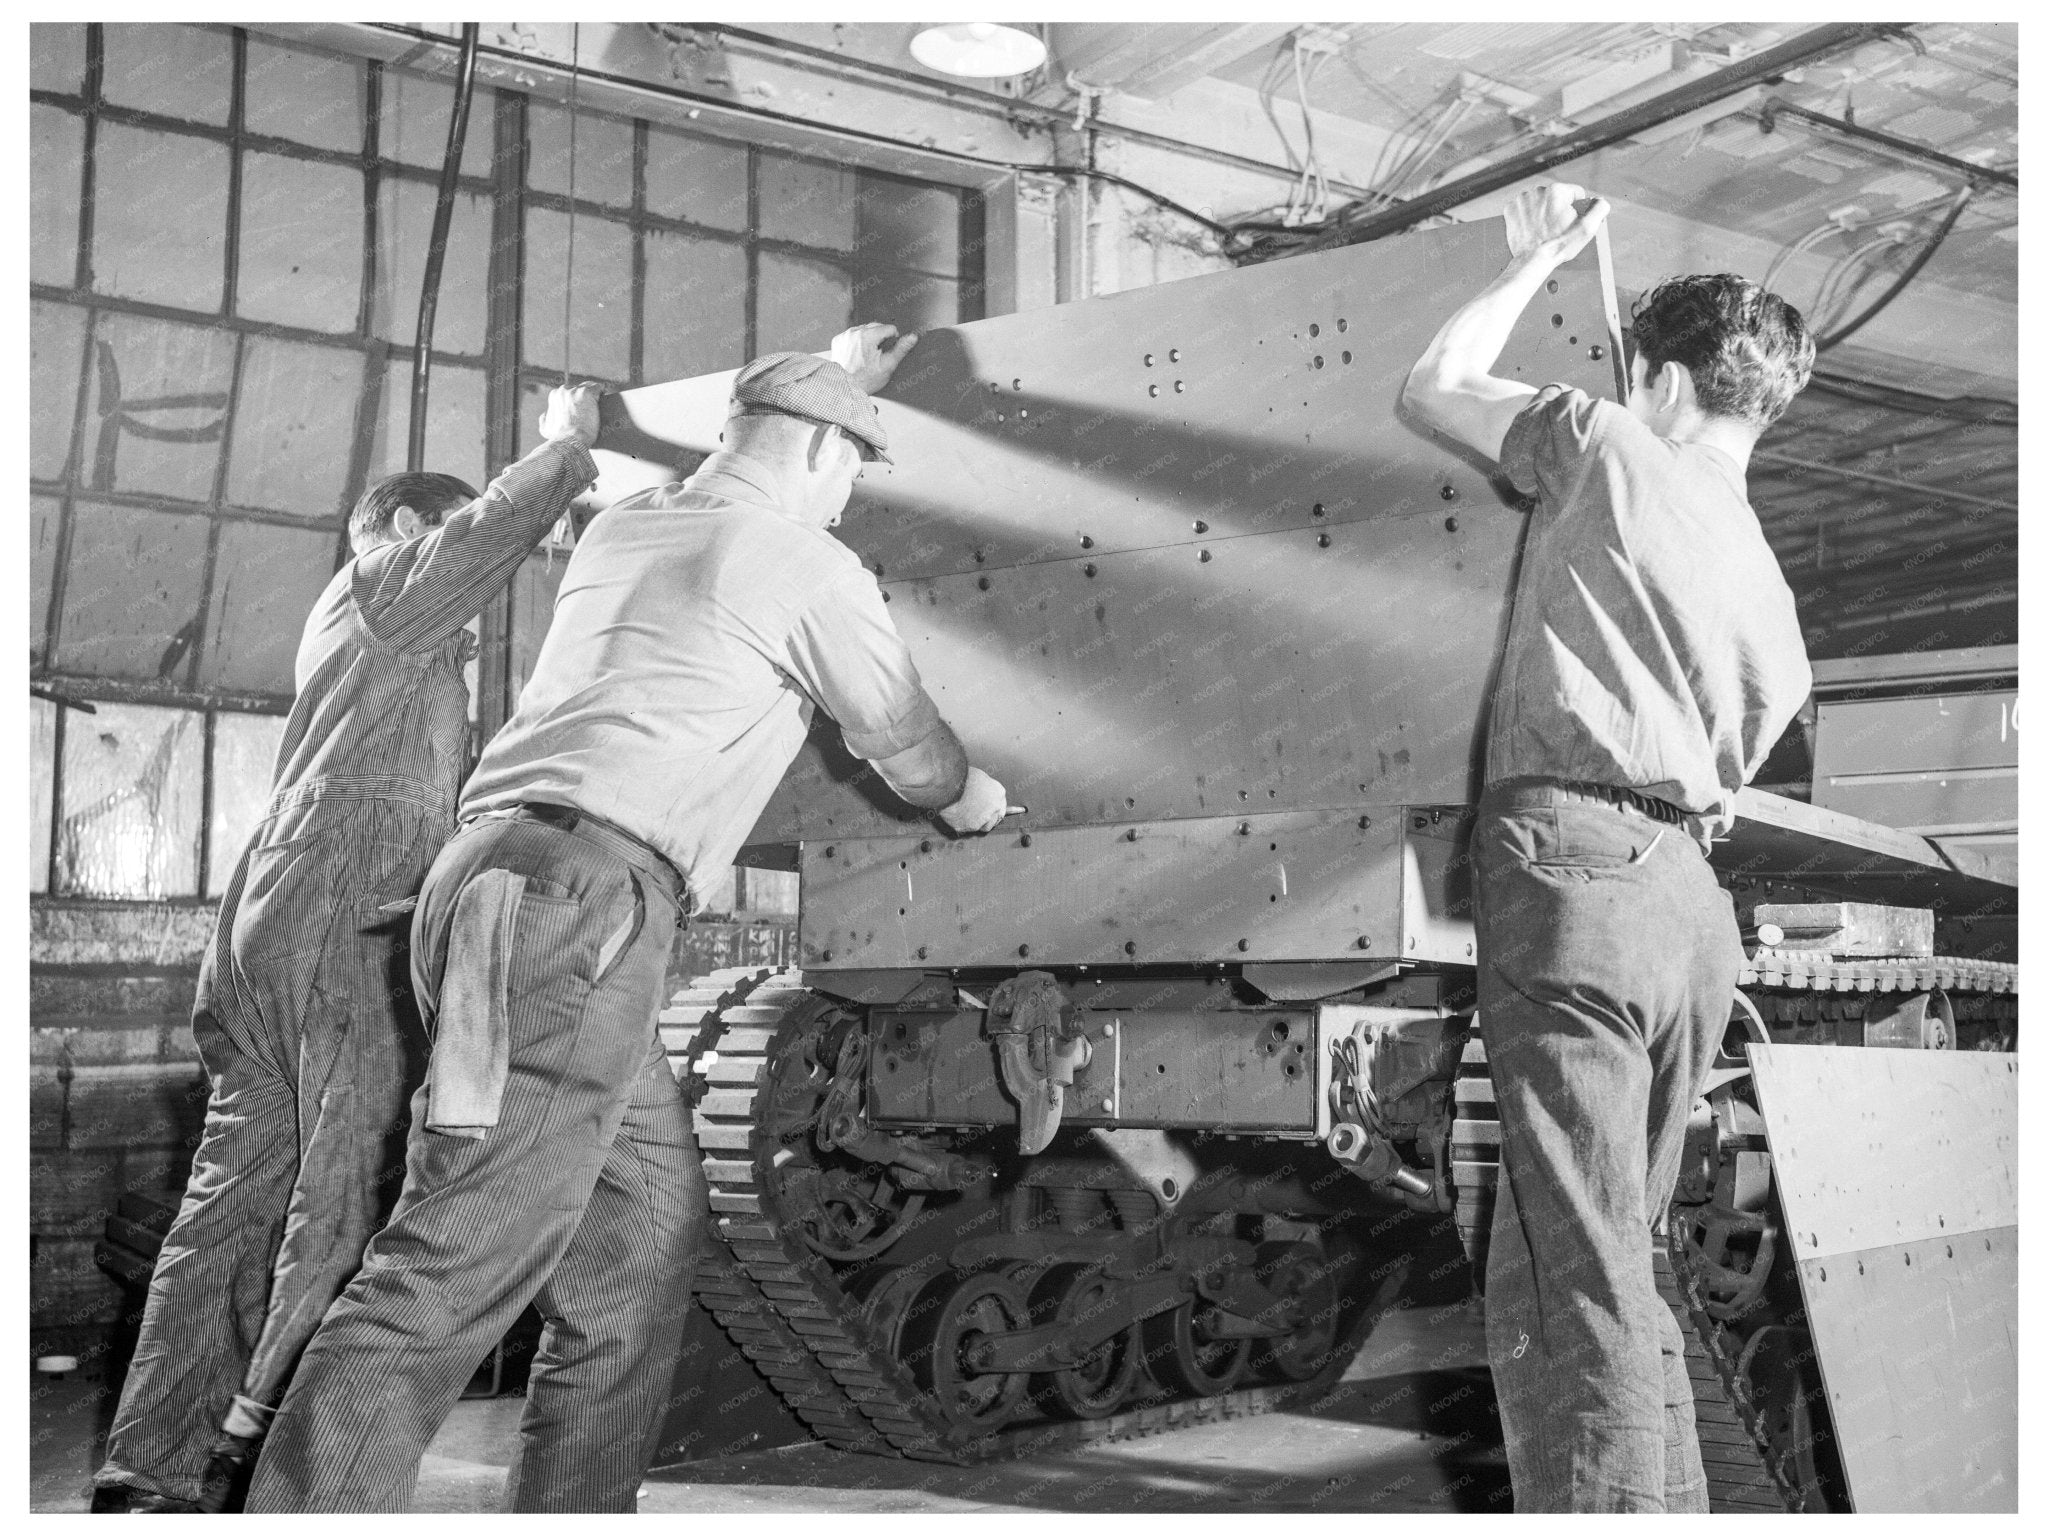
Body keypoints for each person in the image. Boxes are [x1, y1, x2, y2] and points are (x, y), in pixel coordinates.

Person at [243, 322, 1014, 1513]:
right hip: (576, 907)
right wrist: (972, 804)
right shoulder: (803, 563)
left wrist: (837, 378)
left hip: (506, 884)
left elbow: (701, 476)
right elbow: (901, 739)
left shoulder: (628, 526)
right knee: (453, 1257)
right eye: (853, 464)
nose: (854, 491)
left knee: (639, 1246)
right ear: (817, 453)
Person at [91, 386, 604, 1512]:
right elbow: (486, 535)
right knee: (351, 1183)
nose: (472, 618)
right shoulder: (388, 590)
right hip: (346, 897)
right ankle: (259, 1451)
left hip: (271, 911)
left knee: (231, 1196)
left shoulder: (357, 635)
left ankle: (153, 1462)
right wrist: (566, 449)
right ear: (414, 533)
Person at [1400, 185, 1814, 1512]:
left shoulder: (1608, 441)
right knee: (1591, 1250)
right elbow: (1737, 765)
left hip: (1571, 867)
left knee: (1580, 1271)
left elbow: (1437, 382)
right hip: (1689, 907)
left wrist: (1533, 263)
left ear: (1661, 379)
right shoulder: (1772, 594)